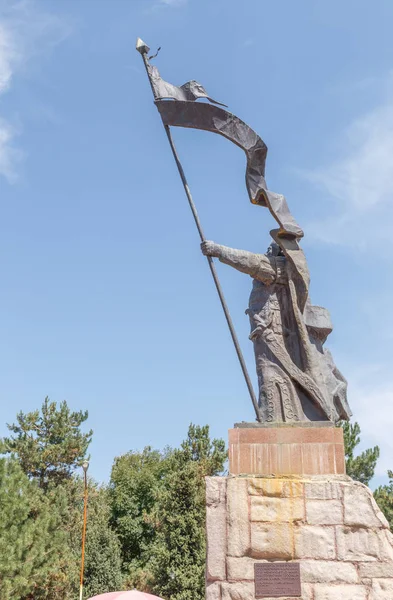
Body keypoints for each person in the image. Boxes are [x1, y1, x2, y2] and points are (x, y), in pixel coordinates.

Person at [201, 237, 352, 423]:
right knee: (270, 373)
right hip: (265, 330)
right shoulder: (280, 269)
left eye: (271, 248)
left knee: (269, 372)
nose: (267, 251)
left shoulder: (278, 267)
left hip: (272, 332)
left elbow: (251, 262)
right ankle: (279, 418)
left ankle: (273, 418)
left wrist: (218, 250)